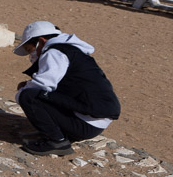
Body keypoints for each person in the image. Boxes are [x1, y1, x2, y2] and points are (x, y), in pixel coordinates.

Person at [14, 21, 120, 156]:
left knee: (28, 95)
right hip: (95, 121)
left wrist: (22, 91)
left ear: (41, 41)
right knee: (37, 93)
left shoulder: (54, 52)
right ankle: (61, 133)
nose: (32, 55)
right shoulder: (73, 52)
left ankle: (56, 141)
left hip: (86, 124)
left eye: (30, 49)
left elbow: (42, 84)